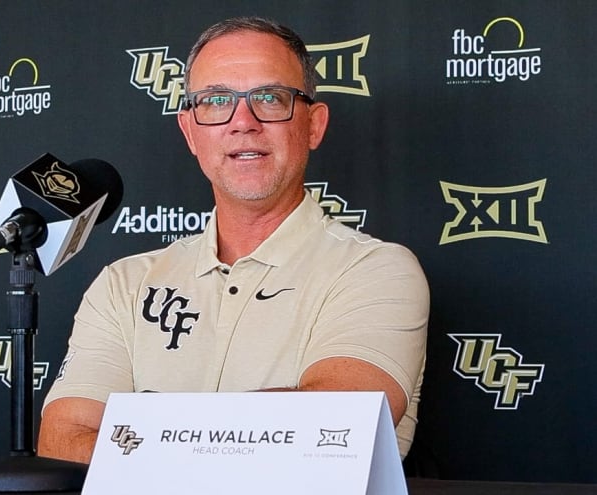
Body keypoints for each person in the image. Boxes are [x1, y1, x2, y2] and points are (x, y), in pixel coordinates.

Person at [37, 16, 429, 464]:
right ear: (190, 131)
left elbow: (332, 432)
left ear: (314, 126)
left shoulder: (376, 271)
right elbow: (62, 442)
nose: (243, 121)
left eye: (270, 97)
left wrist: (143, 435)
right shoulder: (123, 285)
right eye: (216, 100)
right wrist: (248, 436)